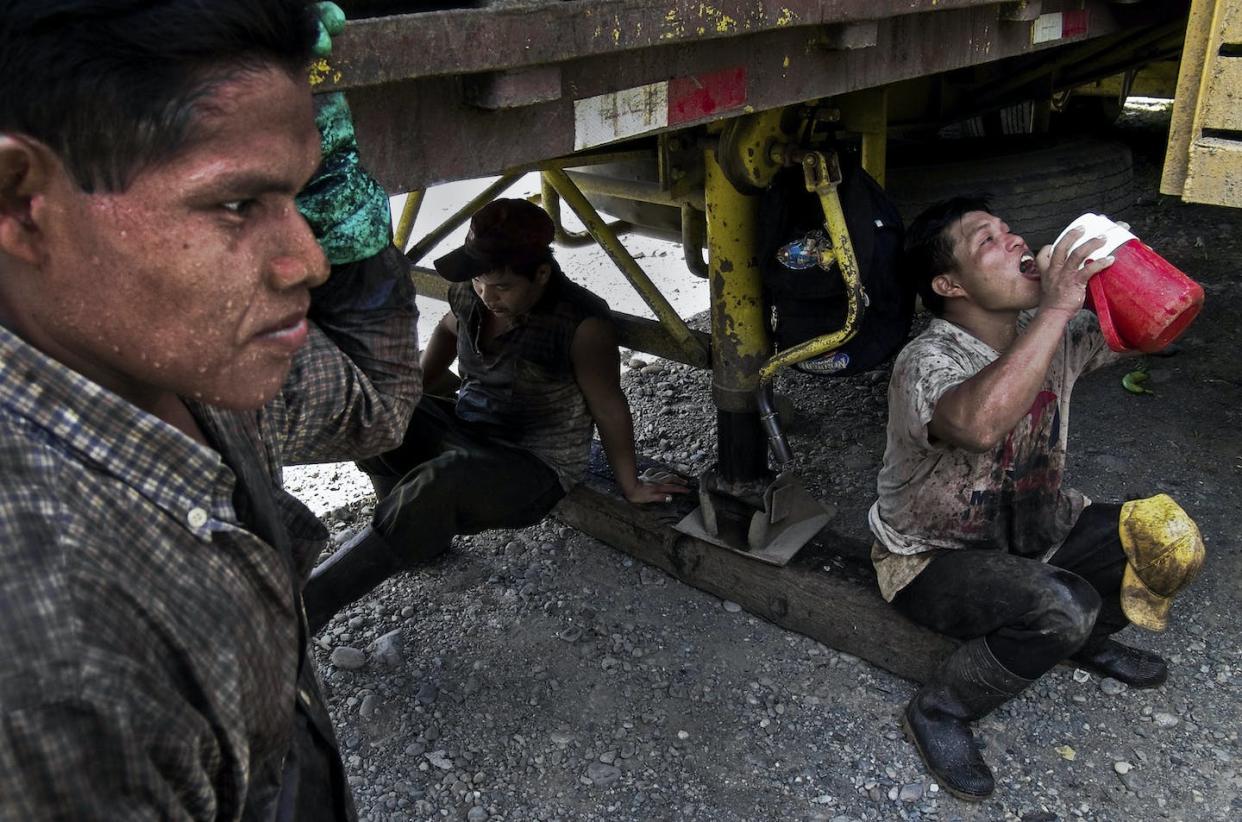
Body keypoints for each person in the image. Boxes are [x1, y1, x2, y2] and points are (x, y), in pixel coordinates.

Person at [0, 2, 420, 818]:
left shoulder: (174, 363)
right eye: (237, 205)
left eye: (299, 195)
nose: (309, 258)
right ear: (21, 201)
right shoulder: (50, 674)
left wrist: (339, 199)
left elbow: (376, 402)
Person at [868, 198, 1205, 801]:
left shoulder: (1045, 333)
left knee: (1166, 538)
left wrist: (1118, 265)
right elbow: (978, 426)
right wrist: (1056, 305)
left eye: (1008, 227)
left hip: (1036, 532)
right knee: (1062, 606)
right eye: (987, 242)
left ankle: (1088, 640)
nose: (1015, 238)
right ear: (949, 284)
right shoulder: (926, 359)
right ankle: (941, 709)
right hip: (932, 559)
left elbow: (1153, 328)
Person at [303, 198, 688, 633]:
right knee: (375, 413)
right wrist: (405, 398)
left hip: (533, 467)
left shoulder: (581, 324)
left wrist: (631, 484)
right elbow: (450, 329)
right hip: (469, 432)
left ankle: (306, 608)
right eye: (481, 283)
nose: (488, 296)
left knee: (439, 482)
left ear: (541, 274)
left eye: (502, 287)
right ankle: (415, 538)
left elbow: (609, 406)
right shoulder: (473, 292)